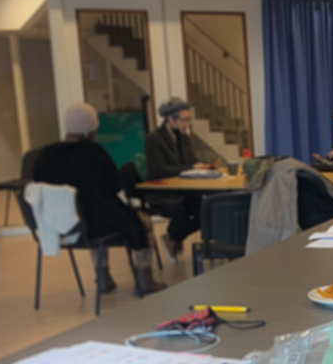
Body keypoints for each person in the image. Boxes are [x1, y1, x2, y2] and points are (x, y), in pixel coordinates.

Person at [33, 103, 165, 295]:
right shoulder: (94, 152)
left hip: (62, 223)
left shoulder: (45, 155)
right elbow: (115, 186)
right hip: (97, 221)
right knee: (141, 223)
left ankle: (102, 277)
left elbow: (40, 187)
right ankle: (145, 279)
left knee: (93, 228)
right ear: (88, 131)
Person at [144, 98, 211, 263]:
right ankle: (173, 238)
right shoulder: (154, 139)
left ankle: (172, 237)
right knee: (181, 213)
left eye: (189, 120)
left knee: (204, 211)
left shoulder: (183, 138)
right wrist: (191, 168)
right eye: (184, 120)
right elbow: (159, 170)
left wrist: (200, 167)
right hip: (162, 192)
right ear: (170, 119)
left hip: (182, 189)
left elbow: (189, 162)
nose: (187, 124)